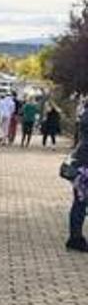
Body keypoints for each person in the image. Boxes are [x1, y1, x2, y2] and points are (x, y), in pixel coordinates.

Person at [67, 107, 88, 252]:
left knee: (79, 202)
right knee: (80, 203)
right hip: (85, 165)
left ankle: (75, 237)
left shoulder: (84, 115)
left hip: (80, 163)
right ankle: (75, 238)